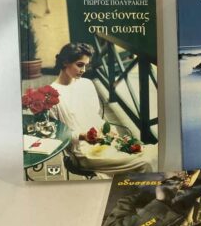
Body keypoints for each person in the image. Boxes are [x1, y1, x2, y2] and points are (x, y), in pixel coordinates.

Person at [50, 42, 157, 178]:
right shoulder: (51, 94)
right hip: (83, 151)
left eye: (86, 65)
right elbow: (58, 135)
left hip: (103, 140)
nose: (83, 70)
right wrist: (82, 136)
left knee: (153, 154)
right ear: (65, 62)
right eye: (80, 65)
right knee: (144, 162)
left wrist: (109, 130)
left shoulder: (87, 84)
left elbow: (95, 116)